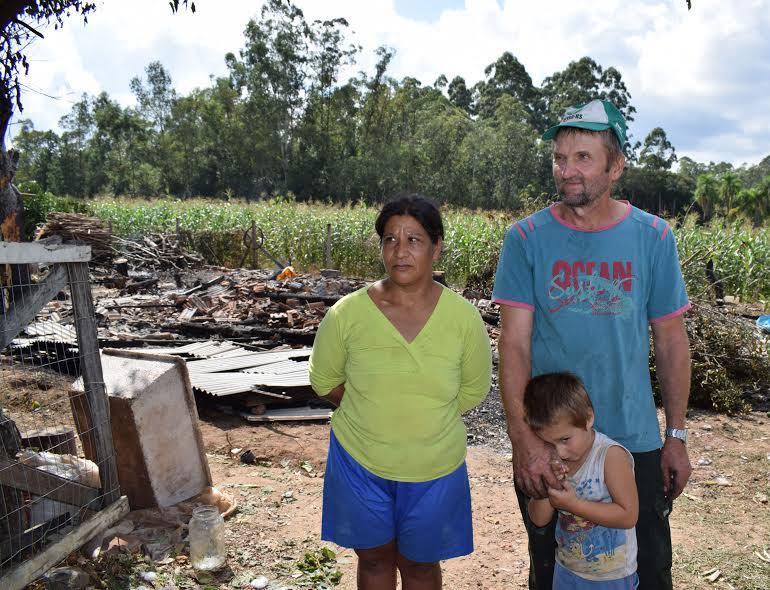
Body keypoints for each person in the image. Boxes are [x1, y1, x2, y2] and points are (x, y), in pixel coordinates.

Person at [492, 99, 692, 590]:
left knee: (646, 574)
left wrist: (678, 436)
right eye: (560, 158)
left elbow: (670, 342)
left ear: (615, 165)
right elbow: (514, 345)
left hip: (633, 440)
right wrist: (525, 442)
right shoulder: (526, 238)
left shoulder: (653, 237)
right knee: (554, 569)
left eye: (583, 157)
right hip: (551, 441)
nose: (567, 169)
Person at [309, 193, 492, 590]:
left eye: (414, 239)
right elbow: (324, 380)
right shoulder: (347, 314)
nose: (400, 251)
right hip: (360, 463)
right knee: (374, 561)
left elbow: (474, 389)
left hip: (435, 469)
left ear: (436, 247)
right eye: (390, 239)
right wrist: (370, 408)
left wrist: (424, 416)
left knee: (420, 566)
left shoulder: (463, 318)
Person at [524, 372, 639, 589]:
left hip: (611, 577)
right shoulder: (553, 461)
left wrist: (573, 505)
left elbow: (628, 516)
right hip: (567, 571)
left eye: (565, 439)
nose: (560, 451)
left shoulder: (610, 456)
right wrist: (550, 488)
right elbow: (538, 520)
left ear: (588, 418)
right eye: (548, 443)